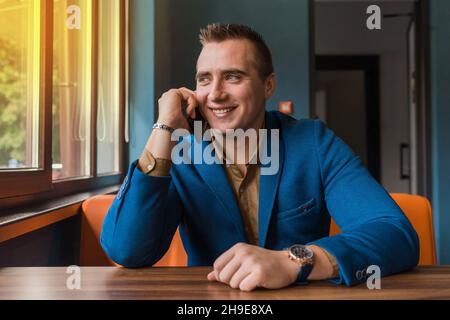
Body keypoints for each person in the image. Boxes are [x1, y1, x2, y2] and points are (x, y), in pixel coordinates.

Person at [100, 23, 419, 292]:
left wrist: (293, 261)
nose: (215, 94)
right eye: (204, 79)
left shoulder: (313, 142)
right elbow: (128, 250)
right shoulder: (181, 154)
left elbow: (396, 235)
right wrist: (164, 127)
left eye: (233, 76)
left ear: (268, 85)